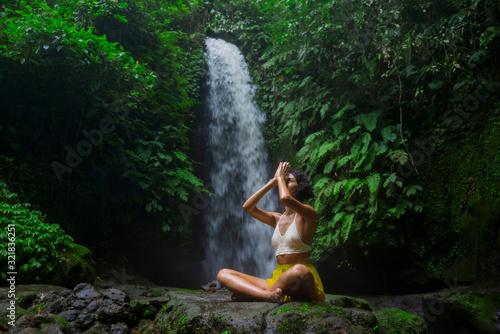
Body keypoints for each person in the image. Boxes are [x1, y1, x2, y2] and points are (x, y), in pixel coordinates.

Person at [217, 162, 325, 303]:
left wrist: (280, 178)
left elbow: (285, 199)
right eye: (283, 180)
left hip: (300, 279)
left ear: (299, 188)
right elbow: (248, 207)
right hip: (278, 279)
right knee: (223, 274)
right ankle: (266, 295)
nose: (284, 181)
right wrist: (272, 182)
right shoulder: (276, 219)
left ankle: (254, 294)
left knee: (300, 270)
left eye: (289, 180)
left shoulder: (308, 214)